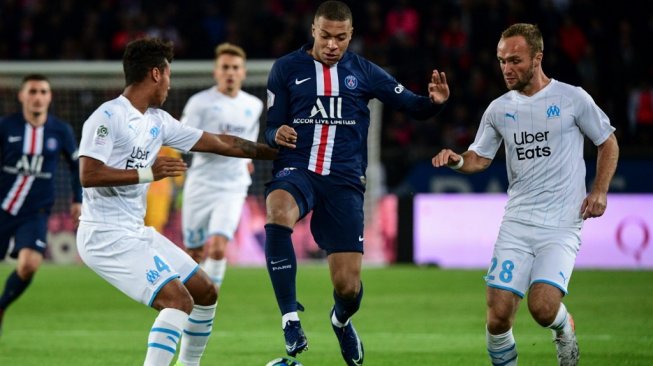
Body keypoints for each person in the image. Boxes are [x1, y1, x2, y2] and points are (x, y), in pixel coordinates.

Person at [263, 1, 449, 364]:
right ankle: (290, 320)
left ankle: (341, 320)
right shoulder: (286, 69)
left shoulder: (363, 71)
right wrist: (276, 133)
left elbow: (414, 105)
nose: (333, 45)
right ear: (313, 30)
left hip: (344, 181)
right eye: (326, 36)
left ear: (351, 36)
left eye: (341, 38)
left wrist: (435, 103)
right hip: (299, 169)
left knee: (347, 287)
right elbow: (272, 126)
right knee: (277, 211)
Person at [76, 37, 276, 366]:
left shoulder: (158, 121)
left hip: (135, 232)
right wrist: (147, 173)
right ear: (156, 74)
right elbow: (89, 174)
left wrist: (279, 153)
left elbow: (222, 143)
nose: (170, 83)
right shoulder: (107, 116)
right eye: (168, 75)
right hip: (104, 236)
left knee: (206, 291)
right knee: (177, 301)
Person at [432, 23, 619, 366]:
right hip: (517, 221)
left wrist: (600, 191)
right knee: (498, 315)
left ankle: (564, 329)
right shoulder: (499, 108)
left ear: (538, 58)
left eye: (515, 60)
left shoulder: (572, 98)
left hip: (562, 223)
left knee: (542, 307)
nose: (506, 68)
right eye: (502, 60)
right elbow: (479, 158)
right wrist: (458, 160)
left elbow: (607, 141)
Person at [0, 74, 82, 336]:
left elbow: (75, 166)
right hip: (2, 207)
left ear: (50, 97)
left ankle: (1, 307)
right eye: (32, 91)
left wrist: (78, 199)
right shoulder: (6, 126)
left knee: (29, 265)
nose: (38, 97)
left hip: (36, 212)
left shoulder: (61, 130)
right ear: (22, 96)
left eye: (43, 92)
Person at [181, 42, 263, 288]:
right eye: (225, 67)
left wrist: (246, 159)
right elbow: (182, 140)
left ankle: (209, 302)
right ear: (216, 72)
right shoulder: (199, 103)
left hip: (232, 186)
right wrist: (218, 144)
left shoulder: (253, 105)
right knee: (193, 253)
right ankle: (189, 301)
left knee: (217, 248)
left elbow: (249, 139)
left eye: (235, 67)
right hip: (201, 184)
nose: (230, 72)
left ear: (243, 72)